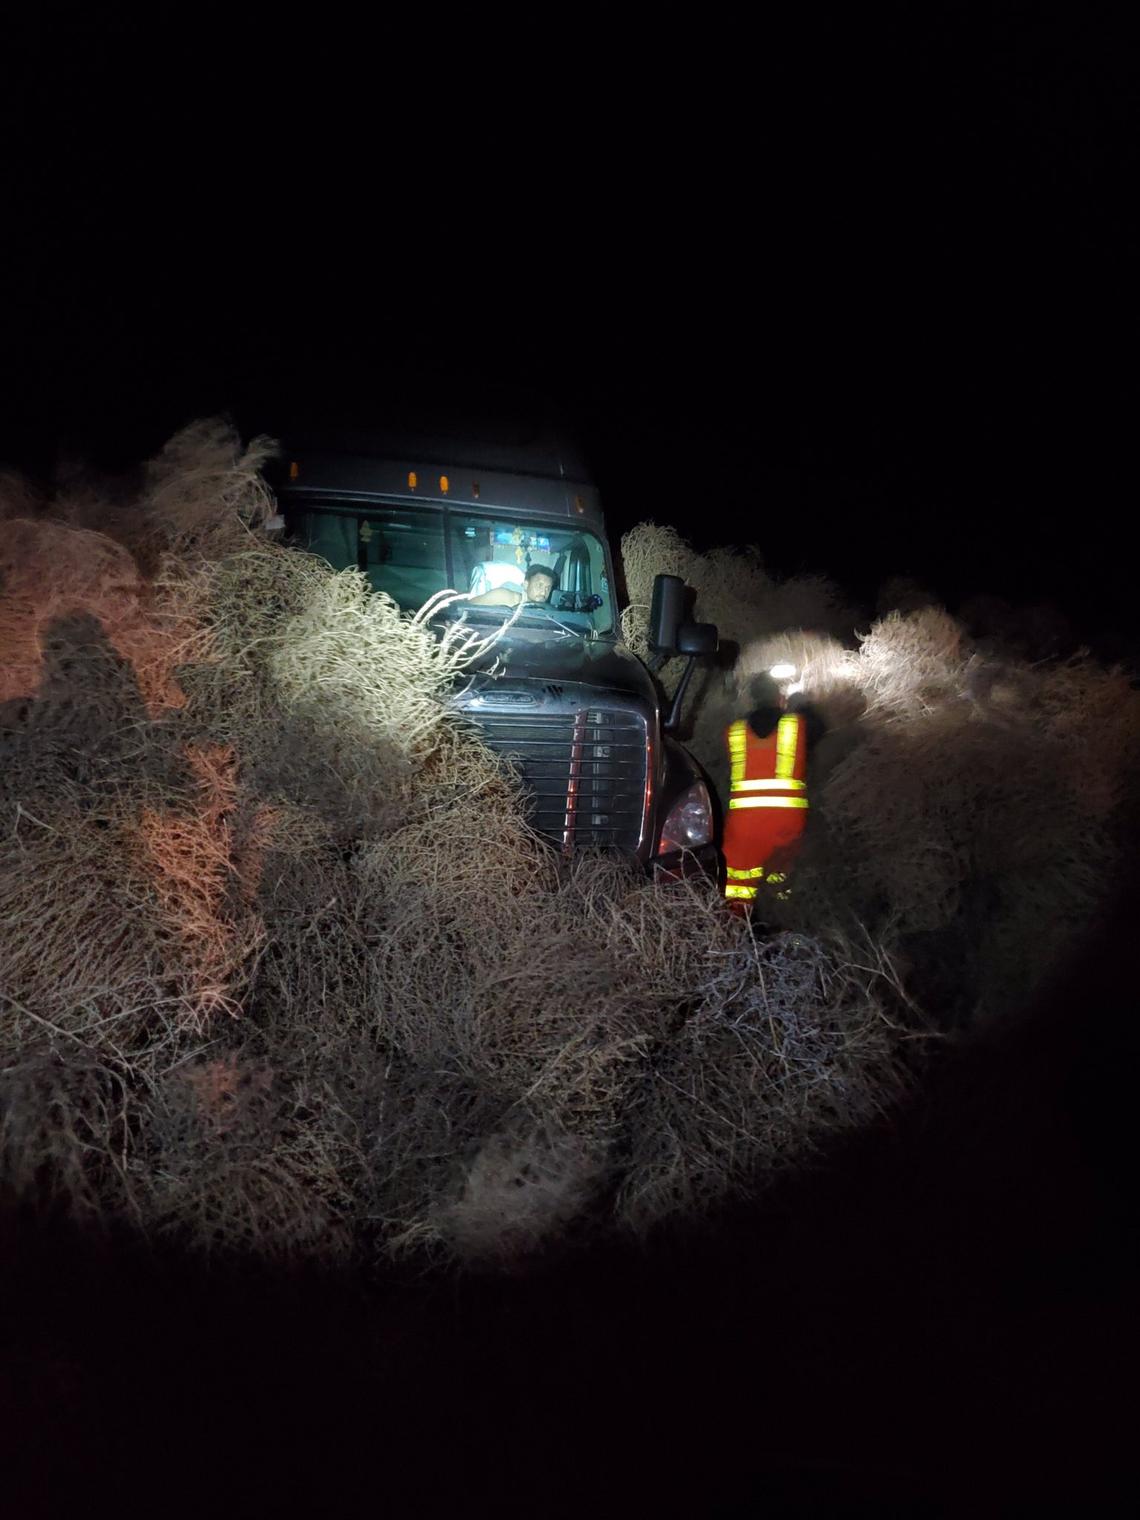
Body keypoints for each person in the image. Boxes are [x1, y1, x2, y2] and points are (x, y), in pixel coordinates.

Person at [722, 665, 811, 913]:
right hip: (788, 823)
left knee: (738, 885)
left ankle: (734, 933)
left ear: (751, 697)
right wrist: (798, 700)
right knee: (782, 882)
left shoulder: (734, 732)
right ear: (779, 696)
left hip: (744, 824)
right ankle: (782, 927)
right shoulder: (798, 725)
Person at [468, 564, 556, 608]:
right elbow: (468, 607)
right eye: (539, 585)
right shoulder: (503, 596)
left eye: (548, 588)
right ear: (526, 585)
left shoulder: (548, 612)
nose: (544, 592)